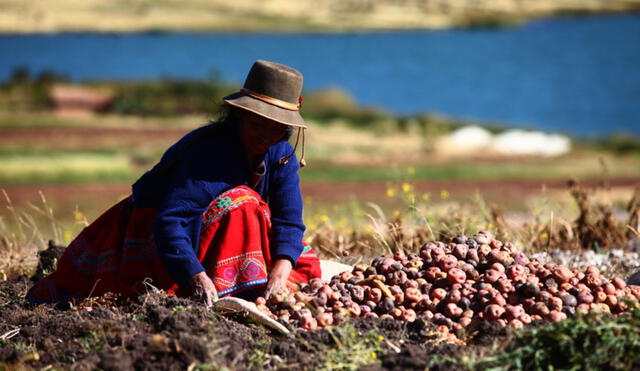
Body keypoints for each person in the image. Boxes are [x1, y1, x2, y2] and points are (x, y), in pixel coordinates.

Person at [27, 60, 322, 306]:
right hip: (155, 233)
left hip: (211, 231)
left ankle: (247, 279)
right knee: (243, 204)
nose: (265, 136)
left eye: (276, 129)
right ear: (239, 116)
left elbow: (288, 220)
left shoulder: (282, 153)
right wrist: (195, 276)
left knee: (299, 258)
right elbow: (171, 221)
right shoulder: (212, 151)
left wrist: (281, 272)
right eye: (257, 124)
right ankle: (234, 283)